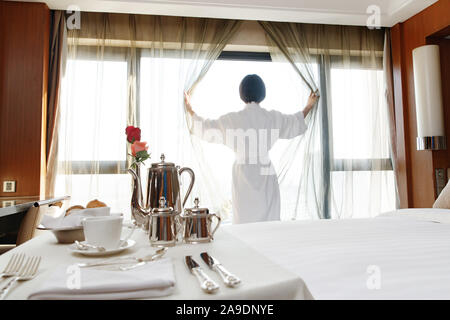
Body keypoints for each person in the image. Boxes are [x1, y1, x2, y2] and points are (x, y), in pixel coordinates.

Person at [184, 74, 319, 224]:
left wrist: (190, 109)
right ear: (263, 94)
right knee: (269, 222)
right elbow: (294, 121)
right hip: (265, 172)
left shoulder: (233, 119)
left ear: (242, 94)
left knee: (244, 221)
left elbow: (206, 128)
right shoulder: (271, 117)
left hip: (243, 174)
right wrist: (309, 105)